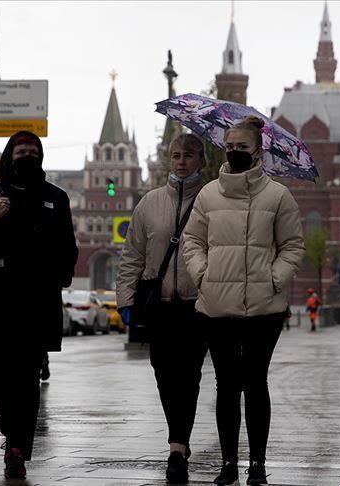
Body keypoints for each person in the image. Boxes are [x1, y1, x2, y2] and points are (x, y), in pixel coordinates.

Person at [183, 116, 305, 485]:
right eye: (230, 147)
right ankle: (228, 465)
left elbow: (292, 246)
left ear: (258, 151)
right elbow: (192, 241)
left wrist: (273, 279)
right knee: (225, 385)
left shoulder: (278, 196)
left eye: (242, 147)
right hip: (216, 306)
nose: (235, 152)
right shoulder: (208, 195)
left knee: (255, 383)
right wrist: (203, 275)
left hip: (264, 309)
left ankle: (257, 464)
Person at [0, 130, 78, 479]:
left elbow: (69, 246)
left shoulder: (55, 197)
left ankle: (18, 448)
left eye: (33, 151)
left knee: (28, 379)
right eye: (21, 151)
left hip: (38, 302)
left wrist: (60, 276)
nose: (27, 157)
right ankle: (11, 435)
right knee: (0, 377)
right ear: (10, 156)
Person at [116, 133, 208, 484]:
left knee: (189, 376)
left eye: (188, 155)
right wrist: (126, 299)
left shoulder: (213, 199)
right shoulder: (150, 202)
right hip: (159, 305)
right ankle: (179, 438)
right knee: (164, 375)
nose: (181, 161)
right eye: (176, 155)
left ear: (201, 160)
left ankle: (177, 448)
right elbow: (132, 256)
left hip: (198, 305)